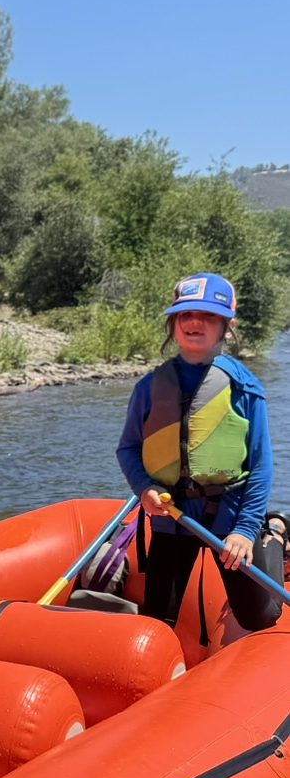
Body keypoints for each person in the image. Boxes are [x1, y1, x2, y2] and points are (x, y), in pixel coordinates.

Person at [116, 271, 283, 633]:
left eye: (208, 315)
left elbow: (261, 464)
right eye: (185, 314)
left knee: (262, 616)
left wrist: (244, 530)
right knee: (159, 621)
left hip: (230, 514)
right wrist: (144, 488)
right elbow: (128, 448)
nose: (194, 322)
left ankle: (276, 534)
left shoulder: (245, 387)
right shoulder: (149, 387)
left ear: (227, 325)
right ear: (174, 324)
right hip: (172, 516)